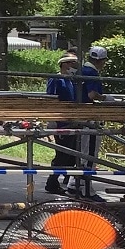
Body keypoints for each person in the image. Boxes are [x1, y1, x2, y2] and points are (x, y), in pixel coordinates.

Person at [74, 44, 109, 199]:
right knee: (90, 152)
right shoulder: (92, 73)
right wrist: (105, 98)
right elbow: (92, 95)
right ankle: (87, 189)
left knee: (81, 150)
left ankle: (73, 185)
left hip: (79, 112)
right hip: (89, 115)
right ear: (101, 60)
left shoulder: (81, 70)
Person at [45, 52, 79, 194]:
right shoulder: (56, 78)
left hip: (70, 119)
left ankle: (67, 179)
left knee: (71, 154)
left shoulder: (71, 80)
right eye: (71, 63)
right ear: (64, 64)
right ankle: (52, 182)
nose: (74, 66)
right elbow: (51, 98)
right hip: (60, 121)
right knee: (62, 153)